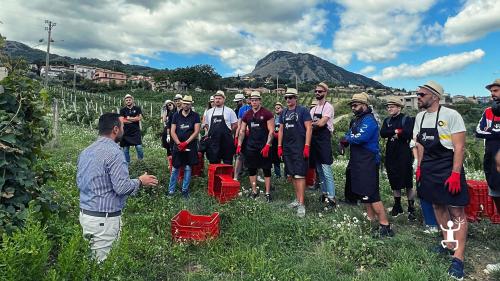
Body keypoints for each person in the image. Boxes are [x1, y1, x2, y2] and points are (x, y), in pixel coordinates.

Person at [77, 113, 158, 262]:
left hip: (86, 215)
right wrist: (140, 181)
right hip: (104, 220)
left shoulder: (86, 151)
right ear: (115, 129)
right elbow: (121, 187)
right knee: (103, 267)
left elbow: (81, 182)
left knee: (90, 261)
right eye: (122, 126)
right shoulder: (115, 153)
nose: (123, 130)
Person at [413, 81, 468, 280]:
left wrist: (455, 174)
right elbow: (420, 144)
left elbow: (459, 147)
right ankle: (448, 242)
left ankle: (459, 258)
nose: (417, 97)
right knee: (437, 205)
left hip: (448, 166)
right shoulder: (419, 117)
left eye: (421, 94)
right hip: (429, 167)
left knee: (456, 210)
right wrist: (419, 167)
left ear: (434, 96)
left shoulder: (452, 116)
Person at [340, 92, 394, 237]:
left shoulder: (369, 120)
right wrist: (348, 137)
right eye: (352, 105)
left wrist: (347, 138)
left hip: (368, 160)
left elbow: (360, 137)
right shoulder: (357, 119)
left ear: (364, 105)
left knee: (372, 194)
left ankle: (385, 225)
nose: (353, 107)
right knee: (364, 194)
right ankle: (371, 220)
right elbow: (349, 134)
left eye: (356, 105)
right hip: (359, 160)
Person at [475, 79, 500, 275]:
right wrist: (495, 133)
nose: (493, 93)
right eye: (492, 90)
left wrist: (491, 132)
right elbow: (478, 131)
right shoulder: (488, 112)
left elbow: (487, 132)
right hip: (491, 165)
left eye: (496, 90)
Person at [380, 96, 416, 220]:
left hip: (404, 154)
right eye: (388, 107)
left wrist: (396, 132)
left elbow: (408, 133)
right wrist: (396, 131)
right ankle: (397, 205)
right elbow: (383, 133)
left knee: (407, 182)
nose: (389, 109)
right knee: (394, 180)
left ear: (399, 107)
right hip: (391, 154)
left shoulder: (406, 119)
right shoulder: (387, 120)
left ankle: (411, 208)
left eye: (392, 107)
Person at [278, 88, 312, 217]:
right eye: (286, 98)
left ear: (296, 98)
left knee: (300, 175)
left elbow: (309, 127)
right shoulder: (283, 112)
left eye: (291, 97)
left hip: (299, 147)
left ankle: (302, 204)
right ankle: (297, 200)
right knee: (292, 174)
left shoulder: (303, 110)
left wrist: (307, 146)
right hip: (287, 147)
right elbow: (280, 130)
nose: (288, 100)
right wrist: (279, 146)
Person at [236, 92, 275, 202]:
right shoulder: (247, 114)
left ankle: (267, 193)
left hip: (264, 146)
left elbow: (271, 131)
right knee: (251, 169)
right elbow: (243, 130)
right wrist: (239, 144)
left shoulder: (267, 114)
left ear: (260, 100)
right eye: (252, 100)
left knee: (266, 169)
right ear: (250, 101)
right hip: (251, 146)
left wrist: (268, 145)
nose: (254, 102)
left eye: (256, 100)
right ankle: (254, 191)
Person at [168, 95, 200, 198]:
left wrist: (186, 142)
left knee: (187, 168)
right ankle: (171, 191)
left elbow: (196, 131)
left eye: (188, 104)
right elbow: (173, 131)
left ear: (191, 104)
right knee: (175, 168)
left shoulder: (195, 115)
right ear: (181, 104)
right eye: (184, 103)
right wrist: (178, 143)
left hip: (190, 145)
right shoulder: (176, 116)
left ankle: (185, 190)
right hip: (177, 146)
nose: (186, 105)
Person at [310, 82, 336, 209]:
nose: (317, 93)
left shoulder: (328, 107)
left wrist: (314, 123)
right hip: (315, 141)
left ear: (325, 92)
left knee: (326, 170)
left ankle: (332, 197)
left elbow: (321, 123)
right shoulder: (313, 109)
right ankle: (324, 193)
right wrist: (315, 123)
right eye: (316, 91)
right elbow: (312, 124)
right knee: (319, 170)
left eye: (320, 91)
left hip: (324, 140)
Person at [203, 90, 238, 164]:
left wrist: (229, 132)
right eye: (216, 98)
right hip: (213, 142)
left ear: (224, 99)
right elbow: (206, 124)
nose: (217, 100)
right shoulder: (209, 112)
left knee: (227, 162)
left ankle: (227, 175)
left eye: (219, 98)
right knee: (214, 162)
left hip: (226, 141)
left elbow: (235, 124)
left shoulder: (229, 111)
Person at [234, 93, 253, 180]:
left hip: (254, 135)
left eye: (252, 98)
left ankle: (256, 175)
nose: (250, 100)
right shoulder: (242, 109)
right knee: (240, 156)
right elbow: (239, 123)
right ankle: (236, 176)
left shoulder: (259, 109)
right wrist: (236, 137)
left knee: (255, 155)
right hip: (244, 134)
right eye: (249, 98)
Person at [120, 94, 143, 163]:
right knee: (125, 150)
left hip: (136, 131)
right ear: (125, 102)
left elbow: (140, 118)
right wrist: (134, 119)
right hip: (126, 132)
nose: (128, 101)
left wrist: (128, 118)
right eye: (126, 100)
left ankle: (140, 162)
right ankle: (127, 163)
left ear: (132, 100)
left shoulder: (137, 108)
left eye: (129, 100)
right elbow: (122, 120)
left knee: (139, 147)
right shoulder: (122, 110)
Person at [271, 102, 283, 178]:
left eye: (278, 108)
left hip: (283, 139)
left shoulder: (284, 117)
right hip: (275, 140)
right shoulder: (273, 118)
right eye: (276, 108)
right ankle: (277, 174)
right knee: (276, 158)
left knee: (285, 157)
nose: (277, 109)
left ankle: (287, 175)